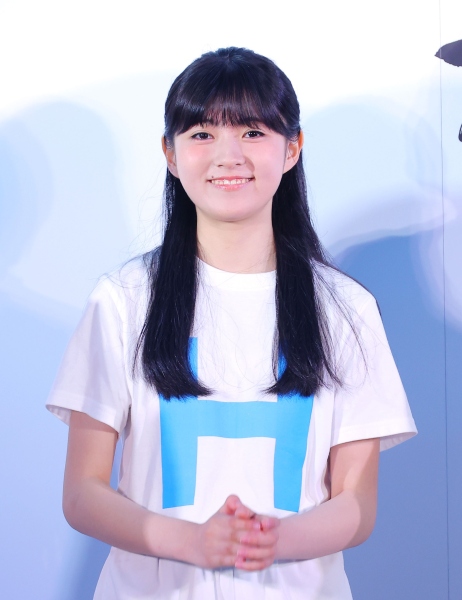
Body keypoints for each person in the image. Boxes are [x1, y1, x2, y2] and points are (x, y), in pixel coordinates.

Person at [47, 47, 417, 599]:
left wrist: (274, 540)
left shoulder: (345, 308)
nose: (228, 156)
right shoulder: (122, 300)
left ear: (292, 148)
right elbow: (82, 492)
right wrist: (191, 542)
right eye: (202, 133)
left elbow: (357, 503)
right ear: (170, 154)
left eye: (252, 132)